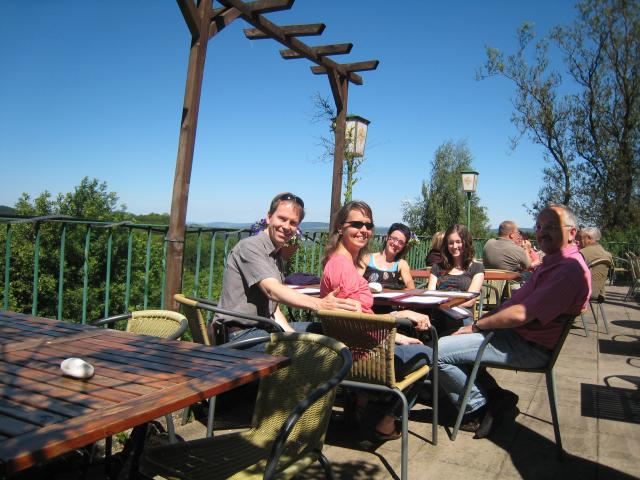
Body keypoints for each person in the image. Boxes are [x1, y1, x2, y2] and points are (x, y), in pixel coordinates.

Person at [437, 204, 591, 438]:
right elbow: (516, 300)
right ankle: (498, 398)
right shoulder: (553, 263)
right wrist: (486, 320)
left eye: (550, 226)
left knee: (437, 352)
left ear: (571, 233)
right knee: (455, 342)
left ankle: (478, 406)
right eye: (539, 227)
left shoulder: (568, 270)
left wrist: (477, 325)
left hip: (528, 346)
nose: (542, 232)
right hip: (515, 335)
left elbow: (520, 314)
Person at [320, 200, 432, 440]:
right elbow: (358, 322)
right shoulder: (343, 268)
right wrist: (398, 329)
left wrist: (400, 319)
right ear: (340, 228)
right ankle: (384, 419)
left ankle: (363, 402)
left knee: (413, 344)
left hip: (355, 348)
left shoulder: (340, 263)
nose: (364, 230)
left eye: (368, 225)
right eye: (357, 224)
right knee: (429, 354)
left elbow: (356, 316)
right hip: (365, 356)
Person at [215, 192, 360, 344]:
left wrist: (294, 336)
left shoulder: (276, 254)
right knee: (321, 352)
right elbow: (272, 290)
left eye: (293, 223)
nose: (286, 227)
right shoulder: (250, 247)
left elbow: (273, 309)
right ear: (269, 217)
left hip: (264, 329)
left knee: (331, 331)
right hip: (238, 335)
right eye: (282, 219)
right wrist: (320, 304)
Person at [427, 224, 484, 333]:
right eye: (451, 243)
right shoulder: (437, 268)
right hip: (439, 316)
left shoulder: (477, 268)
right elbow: (431, 295)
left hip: (462, 317)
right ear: (446, 245)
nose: (454, 246)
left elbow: (470, 300)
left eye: (458, 242)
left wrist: (444, 304)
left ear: (466, 242)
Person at [362, 222, 415, 290]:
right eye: (394, 239)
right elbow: (355, 282)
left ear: (404, 246)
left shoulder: (401, 264)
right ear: (387, 237)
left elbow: (411, 287)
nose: (396, 244)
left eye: (401, 242)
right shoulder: (367, 258)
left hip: (390, 300)